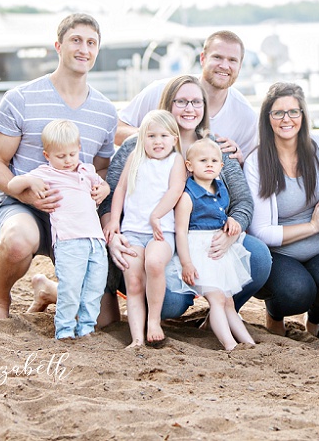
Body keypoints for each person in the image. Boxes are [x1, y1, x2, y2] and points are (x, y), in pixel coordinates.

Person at [94, 75, 272, 327]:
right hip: (155, 239)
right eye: (182, 101)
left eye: (196, 102)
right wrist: (111, 232)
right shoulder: (139, 145)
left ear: (204, 107)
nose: (190, 108)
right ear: (168, 104)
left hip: (204, 240)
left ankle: (219, 312)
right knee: (170, 304)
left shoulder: (216, 148)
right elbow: (112, 194)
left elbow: (243, 202)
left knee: (259, 258)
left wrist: (234, 227)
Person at [0, 13, 117, 320]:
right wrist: (25, 195)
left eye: (91, 43)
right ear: (58, 46)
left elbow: (100, 169)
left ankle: (49, 290)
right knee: (18, 243)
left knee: (105, 319)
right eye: (76, 40)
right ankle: (1, 300)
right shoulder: (20, 99)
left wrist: (101, 186)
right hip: (24, 208)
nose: (83, 49)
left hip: (76, 215)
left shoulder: (106, 111)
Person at [245, 82, 319, 337]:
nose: (287, 119)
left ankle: (314, 320)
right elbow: (261, 232)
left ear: (303, 115)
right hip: (279, 255)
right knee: (296, 291)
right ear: (268, 118)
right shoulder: (257, 161)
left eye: (293, 112)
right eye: (278, 113)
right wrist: (313, 226)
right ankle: (275, 314)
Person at [6, 120, 110, 340]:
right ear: (47, 155)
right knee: (70, 288)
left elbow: (104, 185)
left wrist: (104, 189)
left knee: (94, 289)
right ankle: (64, 330)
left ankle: (86, 328)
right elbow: (12, 186)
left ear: (79, 148)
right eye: (60, 156)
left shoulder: (86, 170)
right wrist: (30, 180)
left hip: (96, 241)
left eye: (72, 154)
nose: (67, 161)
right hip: (69, 241)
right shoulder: (45, 173)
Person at [103, 110, 186, 347]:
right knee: (134, 282)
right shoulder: (135, 158)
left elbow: (175, 189)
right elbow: (119, 189)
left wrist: (156, 215)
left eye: (163, 136)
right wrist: (114, 220)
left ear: (174, 139)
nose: (157, 141)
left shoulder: (175, 160)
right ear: (142, 139)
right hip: (132, 231)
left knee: (154, 263)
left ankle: (154, 321)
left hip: (161, 231)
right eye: (151, 136)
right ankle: (137, 338)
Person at [114, 30, 257, 164]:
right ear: (202, 59)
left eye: (232, 60)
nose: (224, 66)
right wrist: (153, 137)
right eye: (217, 57)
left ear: (240, 65)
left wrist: (239, 161)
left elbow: (247, 174)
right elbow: (115, 130)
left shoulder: (246, 116)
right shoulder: (160, 90)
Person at [170, 138, 255, 350]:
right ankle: (229, 345)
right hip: (198, 252)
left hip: (218, 251)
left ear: (221, 166)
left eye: (214, 161)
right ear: (189, 166)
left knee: (228, 301)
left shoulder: (221, 189)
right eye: (203, 160)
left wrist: (231, 222)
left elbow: (221, 215)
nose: (209, 164)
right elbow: (181, 231)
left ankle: (248, 342)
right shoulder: (187, 196)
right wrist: (186, 263)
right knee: (216, 298)